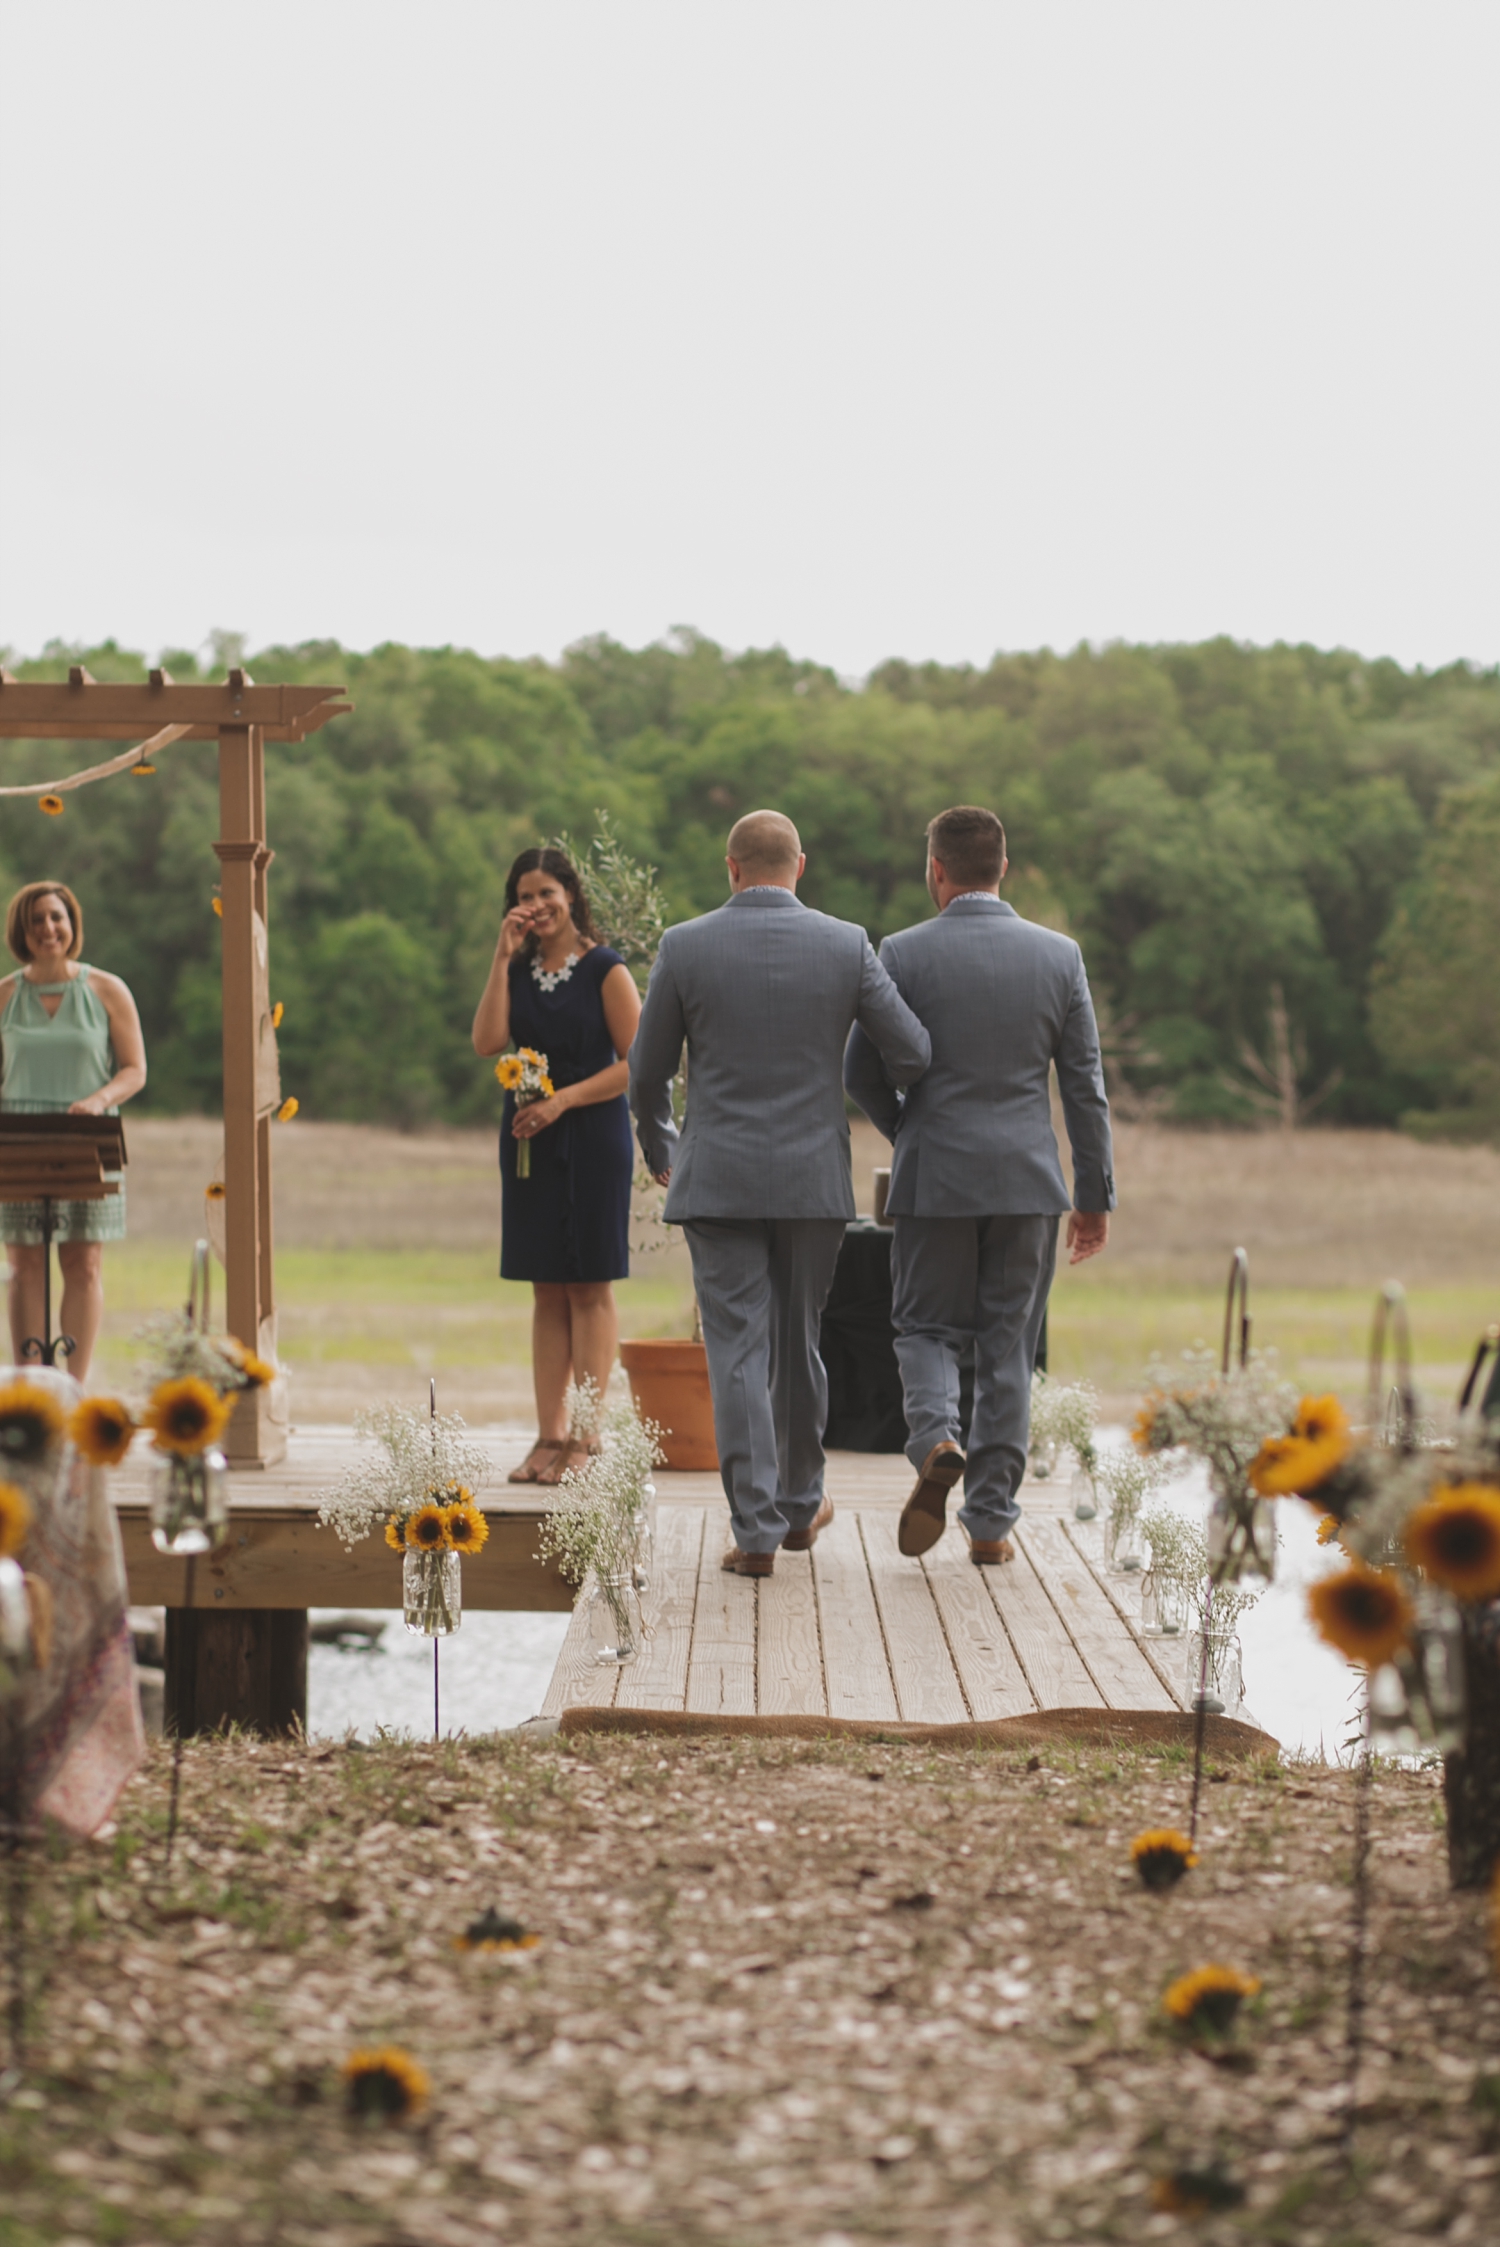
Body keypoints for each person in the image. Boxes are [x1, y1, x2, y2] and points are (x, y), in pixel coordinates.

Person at [630, 810, 930, 1575]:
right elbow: (912, 1049)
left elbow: (647, 1068)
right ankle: (802, 1504)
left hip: (717, 1176)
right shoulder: (844, 943)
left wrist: (663, 1142)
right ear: (801, 866)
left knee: (736, 1350)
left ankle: (755, 1529)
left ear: (730, 867)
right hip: (811, 1177)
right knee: (798, 1343)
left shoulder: (684, 945)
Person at [844, 804, 1114, 1565]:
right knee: (1009, 1346)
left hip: (936, 1173)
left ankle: (935, 1438)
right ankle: (992, 1522)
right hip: (1030, 1178)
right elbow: (1085, 1086)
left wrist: (910, 1130)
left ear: (937, 870)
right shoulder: (1060, 956)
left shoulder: (902, 951)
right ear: (1005, 868)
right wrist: (1093, 1195)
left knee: (925, 1326)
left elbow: (859, 1068)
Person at [472, 846, 642, 1483]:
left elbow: (637, 1063)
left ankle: (587, 1440)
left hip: (592, 1134)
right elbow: (489, 1042)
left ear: (571, 894)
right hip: (527, 1140)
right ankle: (549, 1436)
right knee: (546, 1284)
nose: (536, 905)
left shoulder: (605, 968)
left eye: (547, 892)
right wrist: (500, 957)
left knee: (589, 1284)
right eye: (524, 896)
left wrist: (562, 1101)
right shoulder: (516, 971)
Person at [0, 881, 147, 1380]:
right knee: (23, 1267)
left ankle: (73, 1387)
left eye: (56, 917)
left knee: (83, 1265)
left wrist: (98, 1100)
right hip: (18, 1141)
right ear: (21, 930)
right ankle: (30, 1387)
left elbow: (134, 1069)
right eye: (37, 920)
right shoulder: (4, 995)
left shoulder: (107, 989)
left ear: (72, 925)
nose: (48, 928)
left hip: (89, 1140)